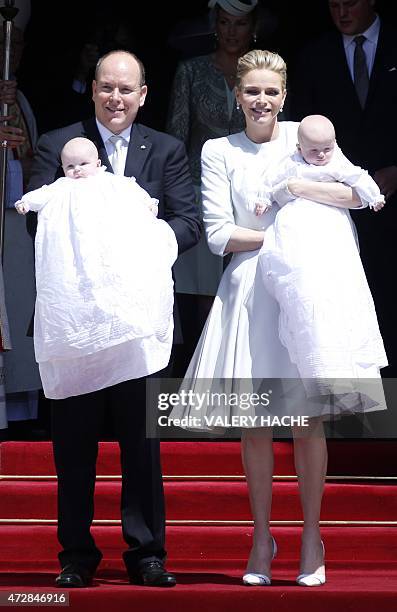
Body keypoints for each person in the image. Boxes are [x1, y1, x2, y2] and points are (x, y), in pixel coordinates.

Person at [171, 49, 387, 587]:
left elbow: (352, 193)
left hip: (308, 290)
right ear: (237, 95)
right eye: (252, 91)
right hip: (251, 291)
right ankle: (262, 536)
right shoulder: (219, 150)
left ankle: (312, 536)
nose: (262, 100)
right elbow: (220, 234)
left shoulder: (305, 135)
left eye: (271, 91)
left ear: (284, 95)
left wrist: (296, 189)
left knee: (309, 421)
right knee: (256, 425)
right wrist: (282, 241)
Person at [27, 50, 201, 588]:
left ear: (144, 94)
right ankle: (76, 555)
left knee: (141, 446)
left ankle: (147, 552)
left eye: (127, 89)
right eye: (107, 88)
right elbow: (38, 224)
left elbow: (187, 220)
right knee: (73, 447)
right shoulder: (58, 145)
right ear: (94, 90)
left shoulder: (167, 149)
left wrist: (137, 245)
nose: (116, 98)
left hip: (139, 321)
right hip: (75, 323)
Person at [16, 137, 176, 400]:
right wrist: (26, 203)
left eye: (83, 164)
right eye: (69, 166)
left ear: (98, 164)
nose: (77, 170)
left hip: (109, 260)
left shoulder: (111, 182)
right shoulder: (60, 187)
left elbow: (134, 191)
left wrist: (148, 204)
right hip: (72, 261)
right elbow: (40, 195)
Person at [290, 0, 397, 377]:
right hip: (332, 205)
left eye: (350, 1)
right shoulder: (315, 55)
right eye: (333, 4)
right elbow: (299, 127)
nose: (341, 12)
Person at [256, 114, 387, 394]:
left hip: (331, 229)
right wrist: (263, 199)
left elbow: (358, 177)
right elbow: (271, 182)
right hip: (297, 231)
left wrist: (374, 196)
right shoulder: (289, 163)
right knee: (305, 292)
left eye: (327, 149)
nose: (321, 156)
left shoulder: (336, 160)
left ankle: (342, 361)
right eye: (314, 150)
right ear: (299, 147)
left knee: (338, 289)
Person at [166, 0, 260, 370]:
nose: (231, 31)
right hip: (201, 192)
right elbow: (177, 135)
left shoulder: (264, 70)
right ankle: (206, 382)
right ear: (215, 25)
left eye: (239, 23)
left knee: (250, 290)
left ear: (253, 26)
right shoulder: (190, 70)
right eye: (224, 22)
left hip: (254, 194)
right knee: (206, 298)